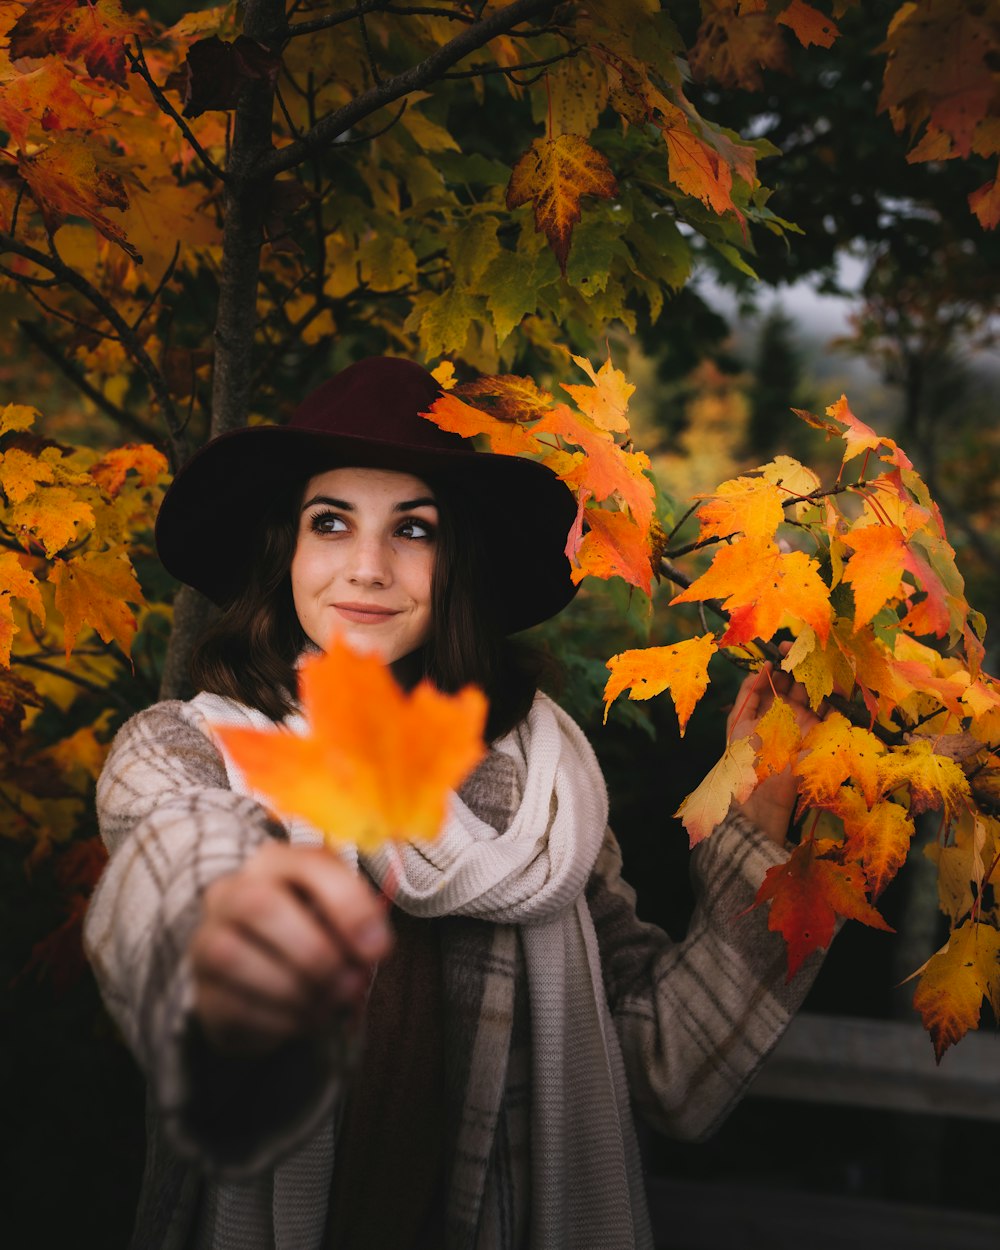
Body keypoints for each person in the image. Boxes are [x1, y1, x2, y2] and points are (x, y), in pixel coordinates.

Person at [84, 356, 821, 1250]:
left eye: (414, 530)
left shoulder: (544, 795)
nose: (366, 567)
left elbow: (670, 1070)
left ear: (457, 560)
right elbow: (183, 887)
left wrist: (764, 826)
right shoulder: (186, 753)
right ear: (288, 550)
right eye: (331, 523)